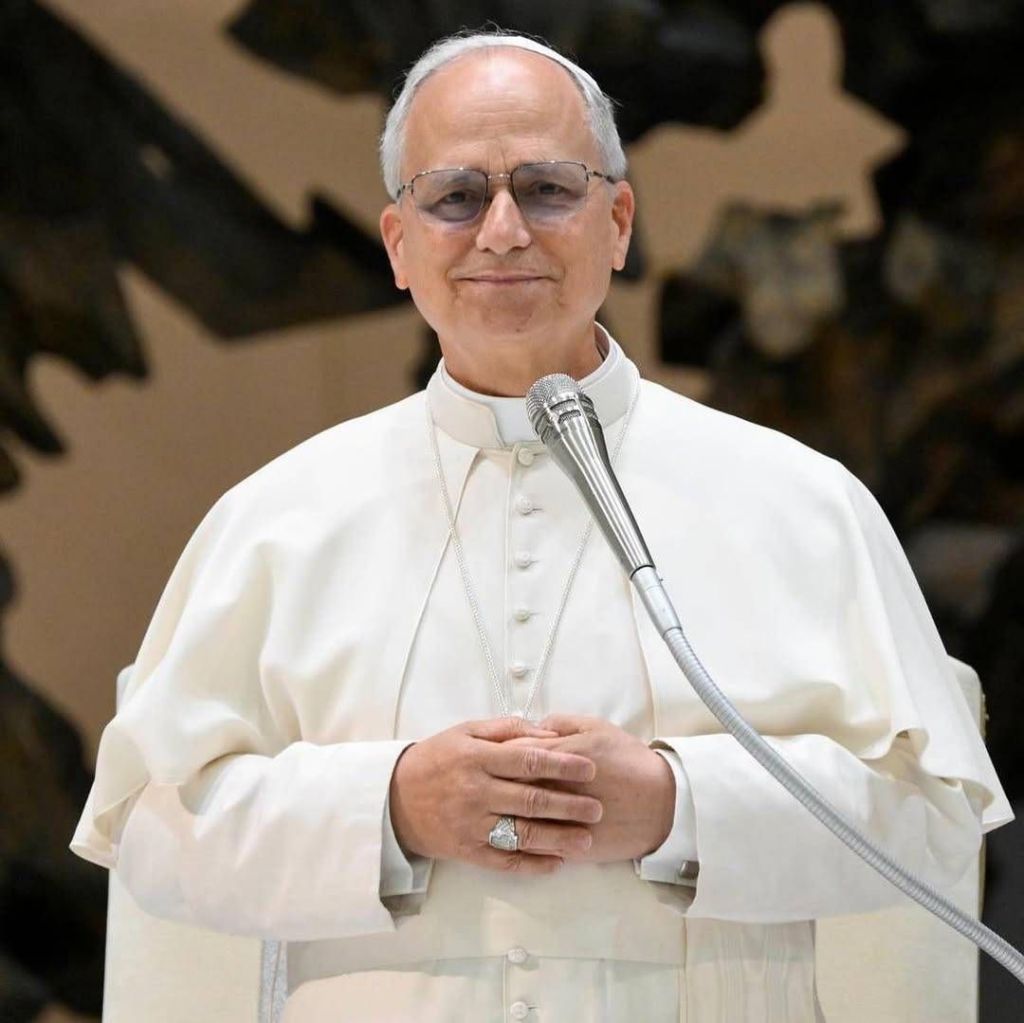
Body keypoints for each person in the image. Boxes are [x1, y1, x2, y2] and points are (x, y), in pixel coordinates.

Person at [71, 30, 1012, 1022]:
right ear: (398, 244)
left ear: (618, 221)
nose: (504, 230)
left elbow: (933, 826)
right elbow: (156, 836)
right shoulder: (273, 520)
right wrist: (391, 805)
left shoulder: (800, 503)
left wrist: (674, 805)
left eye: (548, 189)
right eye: (455, 198)